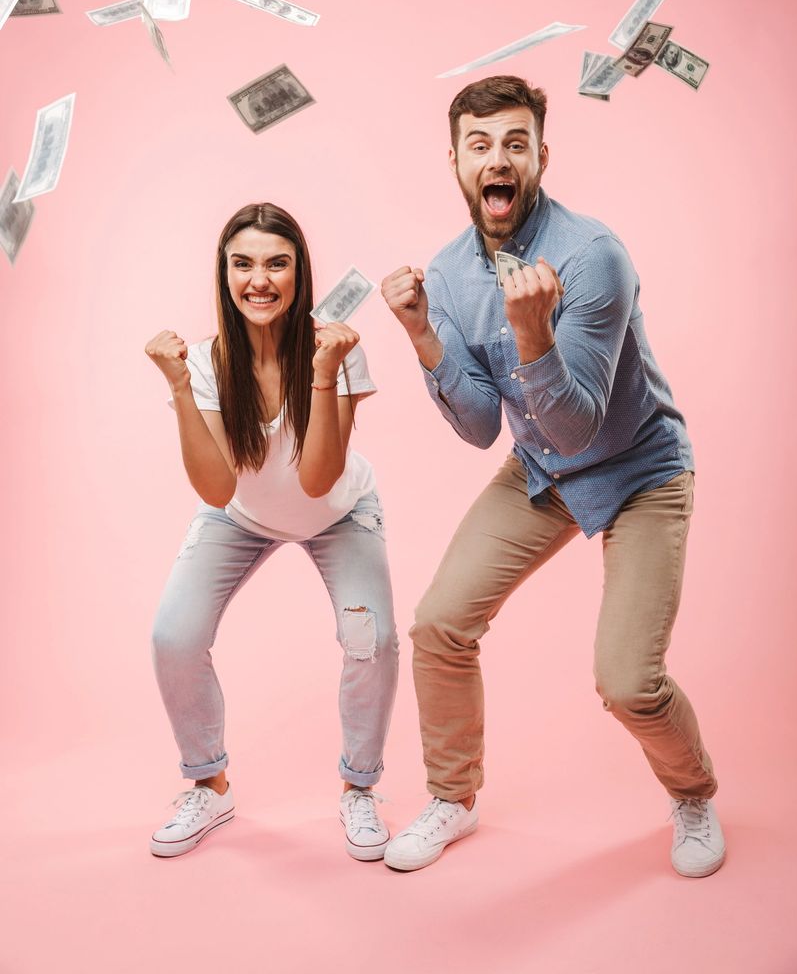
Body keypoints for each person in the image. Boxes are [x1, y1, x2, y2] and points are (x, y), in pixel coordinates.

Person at [380, 75, 724, 877]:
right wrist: (423, 334)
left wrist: (532, 334)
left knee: (628, 682)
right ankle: (454, 799)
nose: (498, 159)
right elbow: (476, 428)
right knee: (439, 626)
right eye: (480, 144)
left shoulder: (593, 257)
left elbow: (578, 421)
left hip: (639, 469)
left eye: (515, 143)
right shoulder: (452, 273)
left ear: (540, 155)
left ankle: (694, 793)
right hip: (540, 471)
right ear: (458, 161)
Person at [146, 203, 399, 860]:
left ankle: (358, 789)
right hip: (241, 516)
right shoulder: (205, 361)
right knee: (173, 635)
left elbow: (317, 481)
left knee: (370, 637)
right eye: (243, 264)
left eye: (276, 263)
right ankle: (209, 783)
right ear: (225, 274)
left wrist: (323, 370)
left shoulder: (336, 351)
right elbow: (217, 490)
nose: (259, 280)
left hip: (339, 513)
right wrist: (177, 384)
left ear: (299, 272)